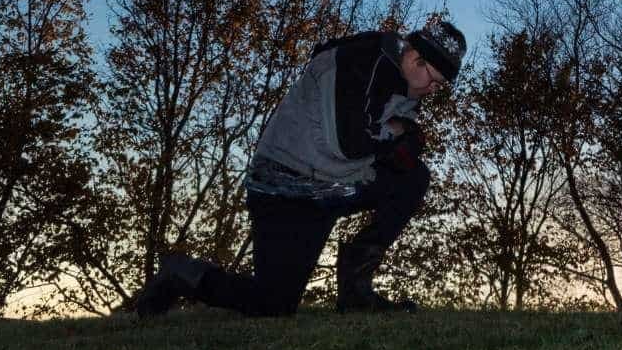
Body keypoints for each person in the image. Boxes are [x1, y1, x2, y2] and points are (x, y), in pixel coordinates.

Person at [135, 21, 466, 316]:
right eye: (434, 81)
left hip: (334, 184)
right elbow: (350, 144)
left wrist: (401, 137)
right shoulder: (359, 61)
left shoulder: (407, 87)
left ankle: (355, 290)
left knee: (413, 178)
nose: (432, 90)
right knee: (273, 304)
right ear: (415, 58)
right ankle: (182, 274)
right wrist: (398, 135)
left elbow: (399, 134)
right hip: (285, 186)